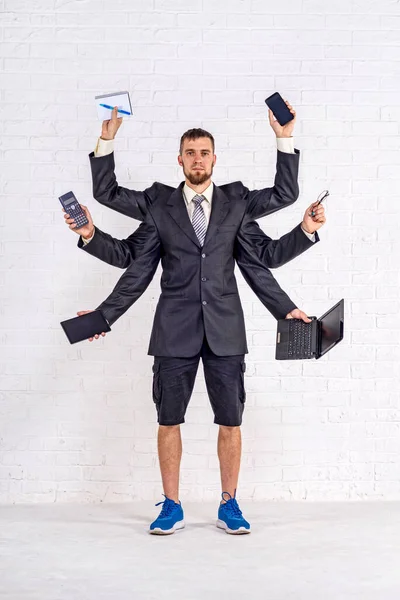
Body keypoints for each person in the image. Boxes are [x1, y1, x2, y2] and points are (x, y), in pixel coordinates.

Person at [63, 104, 326, 535]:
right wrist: (91, 238)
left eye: (205, 152)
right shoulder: (158, 205)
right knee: (169, 420)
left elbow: (268, 249)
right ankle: (171, 505)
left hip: (225, 332)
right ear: (179, 159)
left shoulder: (237, 203)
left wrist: (303, 228)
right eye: (190, 152)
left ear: (214, 159)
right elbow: (130, 257)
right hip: (173, 332)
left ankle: (230, 504)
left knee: (231, 420)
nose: (198, 159)